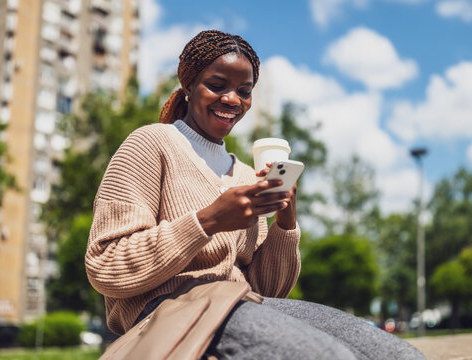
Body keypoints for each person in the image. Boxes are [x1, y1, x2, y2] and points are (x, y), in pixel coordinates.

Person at [85, 30, 425, 360]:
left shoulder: (247, 176)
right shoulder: (150, 144)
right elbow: (105, 264)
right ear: (188, 85)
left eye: (244, 91)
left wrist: (285, 223)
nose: (232, 100)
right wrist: (209, 220)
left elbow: (268, 292)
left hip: (241, 302)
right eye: (217, 85)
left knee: (396, 353)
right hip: (170, 310)